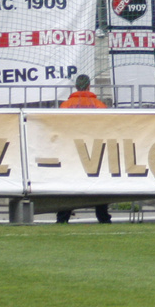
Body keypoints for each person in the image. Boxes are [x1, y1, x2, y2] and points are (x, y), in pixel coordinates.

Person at [55, 76, 112, 225]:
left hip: (71, 150)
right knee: (98, 185)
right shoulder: (99, 105)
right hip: (94, 150)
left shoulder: (66, 106)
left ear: (75, 87)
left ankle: (63, 217)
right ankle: (103, 217)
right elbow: (106, 128)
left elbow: (60, 127)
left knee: (69, 185)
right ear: (89, 86)